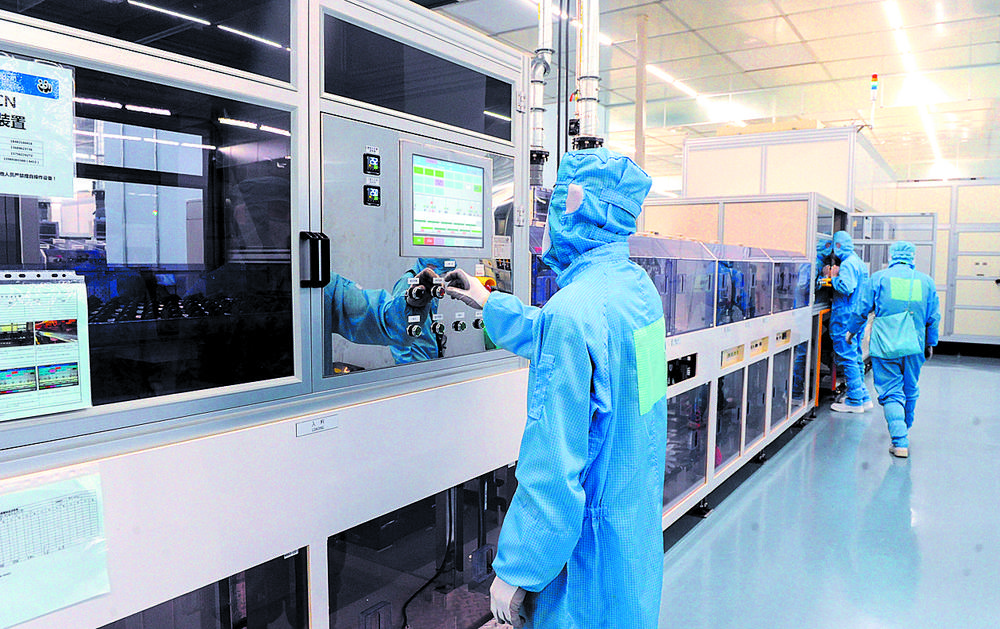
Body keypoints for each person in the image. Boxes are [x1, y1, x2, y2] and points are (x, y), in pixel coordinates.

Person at [445, 148, 668, 628]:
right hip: (631, 534)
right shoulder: (638, 290)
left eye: (552, 204)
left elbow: (554, 463)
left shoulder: (572, 312)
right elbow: (571, 337)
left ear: (576, 206)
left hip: (586, 553)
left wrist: (518, 570)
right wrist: (489, 302)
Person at [846, 241, 939, 458]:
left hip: (885, 345)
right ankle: (905, 429)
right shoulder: (926, 281)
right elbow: (933, 318)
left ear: (892, 256)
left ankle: (899, 441)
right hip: (914, 344)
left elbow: (861, 309)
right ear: (912, 257)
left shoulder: (879, 278)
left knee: (891, 391)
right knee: (910, 388)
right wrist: (930, 343)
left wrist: (851, 331)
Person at [324, 258, 443, 364]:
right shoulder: (408, 280)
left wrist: (411, 304)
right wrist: (408, 369)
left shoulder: (326, 286)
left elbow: (385, 319)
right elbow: (399, 348)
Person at [827, 231, 873, 413]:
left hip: (845, 316)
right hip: (856, 316)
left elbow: (846, 287)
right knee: (855, 356)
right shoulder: (859, 262)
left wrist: (832, 278)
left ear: (838, 246)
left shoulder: (847, 264)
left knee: (847, 358)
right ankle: (863, 397)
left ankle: (854, 401)